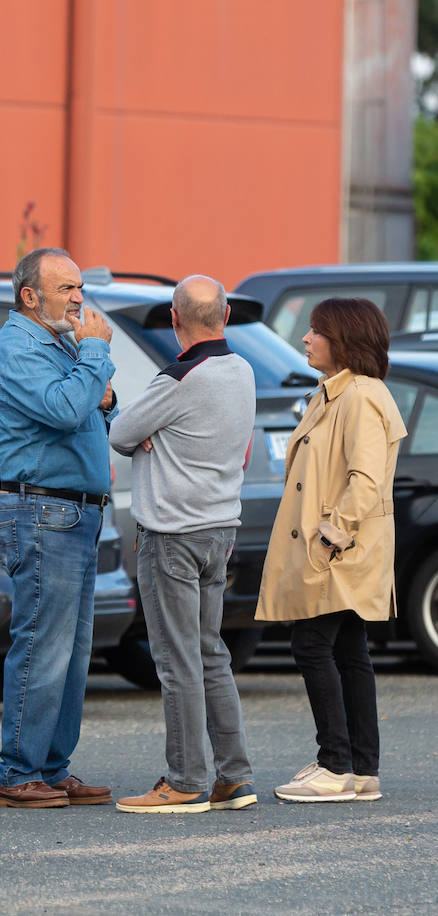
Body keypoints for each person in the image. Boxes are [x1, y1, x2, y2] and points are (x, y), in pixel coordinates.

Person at [107, 275, 258, 813]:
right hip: (221, 529)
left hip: (172, 533)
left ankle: (186, 779)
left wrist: (155, 434)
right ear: (225, 315)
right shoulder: (241, 370)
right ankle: (233, 777)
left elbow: (121, 434)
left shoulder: (176, 379)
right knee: (210, 652)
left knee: (176, 661)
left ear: (175, 320)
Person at [256, 297, 405, 803]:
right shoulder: (336, 393)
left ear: (344, 339)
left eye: (316, 331)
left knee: (312, 646)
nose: (306, 338)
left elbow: (365, 481)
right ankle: (361, 769)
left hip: (342, 551)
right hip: (342, 551)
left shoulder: (360, 396)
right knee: (347, 650)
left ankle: (336, 764)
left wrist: (329, 536)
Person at [0, 246, 115, 808]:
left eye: (80, 287)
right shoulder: (17, 348)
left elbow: (92, 407)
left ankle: (53, 767)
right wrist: (95, 359)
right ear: (30, 296)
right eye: (66, 289)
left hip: (75, 510)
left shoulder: (61, 344)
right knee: (42, 645)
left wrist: (98, 392)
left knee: (74, 650)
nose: (79, 298)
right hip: (41, 511)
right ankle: (17, 772)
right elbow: (65, 409)